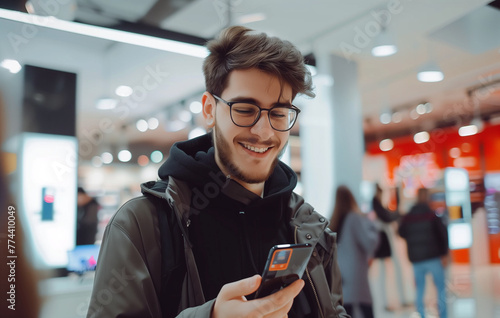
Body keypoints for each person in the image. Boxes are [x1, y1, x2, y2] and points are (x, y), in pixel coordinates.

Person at [87, 26, 349, 318]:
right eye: (246, 109)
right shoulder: (143, 225)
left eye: (278, 113)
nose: (263, 132)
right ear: (210, 109)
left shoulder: (309, 227)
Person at [329, 186, 379, 318]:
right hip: (355, 273)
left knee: (345, 309)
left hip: (340, 273)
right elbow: (369, 243)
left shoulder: (333, 221)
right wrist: (374, 227)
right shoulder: (354, 218)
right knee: (365, 308)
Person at [398, 187, 449, 318]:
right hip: (433, 257)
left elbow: (401, 232)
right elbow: (443, 234)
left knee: (420, 289)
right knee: (441, 288)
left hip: (417, 258)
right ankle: (443, 315)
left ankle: (421, 315)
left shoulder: (409, 216)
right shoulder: (432, 215)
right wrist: (444, 253)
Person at [371, 183, 408, 310]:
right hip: (382, 240)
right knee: (384, 272)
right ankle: (386, 303)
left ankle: (391, 301)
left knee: (386, 272)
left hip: (383, 239)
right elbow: (388, 217)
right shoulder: (376, 205)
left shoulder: (379, 206)